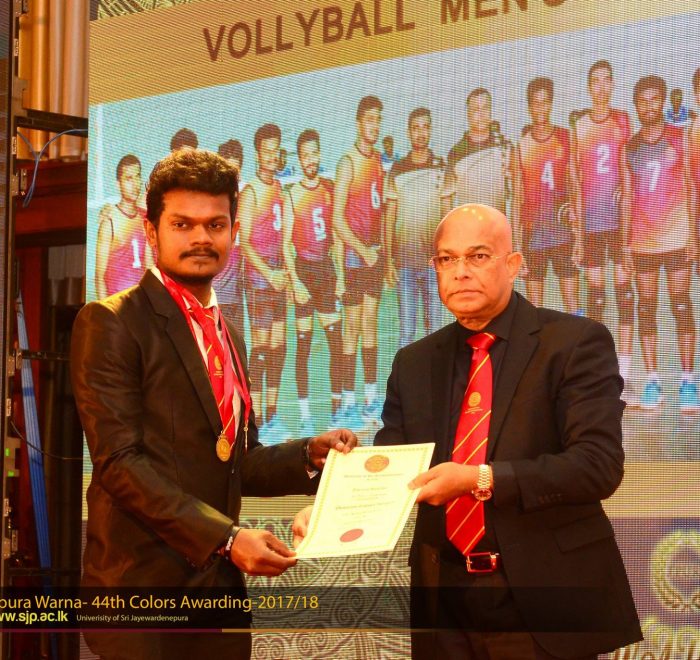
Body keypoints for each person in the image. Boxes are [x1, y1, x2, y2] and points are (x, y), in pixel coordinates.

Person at [72, 149, 357, 660]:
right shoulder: (112, 321)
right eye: (182, 224)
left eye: (215, 225)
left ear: (234, 231)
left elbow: (235, 460)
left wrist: (307, 455)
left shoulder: (227, 334)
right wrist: (226, 538)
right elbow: (119, 464)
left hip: (217, 597)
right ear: (151, 230)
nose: (201, 238)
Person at [373, 203, 642, 658]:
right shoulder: (414, 362)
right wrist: (329, 513)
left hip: (544, 599)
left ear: (513, 265)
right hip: (446, 603)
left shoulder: (573, 343)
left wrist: (480, 478)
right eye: (447, 259)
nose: (460, 272)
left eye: (477, 256)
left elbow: (596, 466)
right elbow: (392, 467)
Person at [620, 75, 698, 412]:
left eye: (655, 99)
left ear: (663, 101)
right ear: (636, 105)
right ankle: (652, 381)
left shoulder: (681, 138)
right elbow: (626, 197)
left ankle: (688, 382)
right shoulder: (629, 147)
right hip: (643, 242)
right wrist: (625, 244)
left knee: (681, 306)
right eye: (643, 100)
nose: (649, 106)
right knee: (646, 309)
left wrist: (694, 235)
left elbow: (692, 188)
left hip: (677, 237)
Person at [570, 60, 636, 404]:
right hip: (593, 224)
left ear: (612, 84)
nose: (600, 87)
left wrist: (629, 191)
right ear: (588, 87)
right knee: (596, 296)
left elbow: (631, 167)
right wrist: (579, 235)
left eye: (606, 80)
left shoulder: (623, 120)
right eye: (594, 81)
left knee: (624, 293)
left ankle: (626, 372)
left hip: (619, 222)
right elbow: (576, 181)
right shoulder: (579, 126)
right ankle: (600, 370)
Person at [282, 129, 344, 433]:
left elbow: (337, 237)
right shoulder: (292, 194)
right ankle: (306, 416)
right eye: (305, 155)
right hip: (304, 272)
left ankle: (337, 410)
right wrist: (295, 282)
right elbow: (285, 245)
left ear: (320, 154)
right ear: (299, 159)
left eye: (314, 153)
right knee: (304, 346)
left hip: (326, 271)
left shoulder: (329, 190)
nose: (310, 160)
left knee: (336, 343)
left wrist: (341, 276)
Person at [332, 95, 386, 430]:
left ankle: (370, 398)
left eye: (378, 119)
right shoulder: (347, 163)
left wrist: (379, 253)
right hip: (355, 258)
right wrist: (361, 250)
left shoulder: (378, 159)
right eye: (369, 119)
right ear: (358, 123)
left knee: (371, 324)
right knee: (351, 328)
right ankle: (348, 402)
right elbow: (337, 219)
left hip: (374, 256)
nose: (374, 126)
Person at [238, 123, 289, 442]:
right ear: (257, 154)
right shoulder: (251, 192)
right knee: (261, 347)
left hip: (279, 278)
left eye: (275, 150)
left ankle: (273, 415)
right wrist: (269, 274)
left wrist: (285, 274)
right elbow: (244, 243)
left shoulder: (279, 188)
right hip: (259, 280)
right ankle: (254, 423)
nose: (272, 156)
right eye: (266, 150)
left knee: (279, 346)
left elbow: (282, 237)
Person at [513, 77, 580, 314]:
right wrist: (517, 245)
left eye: (544, 102)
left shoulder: (565, 137)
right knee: (534, 308)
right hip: (534, 235)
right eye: (535, 103)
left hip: (562, 233)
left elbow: (575, 186)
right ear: (529, 106)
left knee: (572, 303)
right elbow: (517, 199)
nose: (540, 108)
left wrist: (579, 237)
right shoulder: (521, 145)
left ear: (551, 104)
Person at [385, 107, 446, 347]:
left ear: (430, 130)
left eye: (425, 127)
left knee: (436, 332)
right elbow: (389, 218)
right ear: (408, 132)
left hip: (434, 265)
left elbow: (448, 218)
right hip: (405, 265)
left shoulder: (442, 167)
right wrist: (389, 261)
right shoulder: (397, 170)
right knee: (407, 333)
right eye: (415, 128)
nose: (421, 133)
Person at [441, 88, 510, 216]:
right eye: (476, 110)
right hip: (467, 226)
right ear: (468, 114)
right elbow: (446, 198)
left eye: (485, 108)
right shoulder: (456, 153)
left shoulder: (505, 147)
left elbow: (517, 191)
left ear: (491, 111)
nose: (481, 114)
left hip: (497, 226)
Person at [94, 154, 151, 298]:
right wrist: (106, 310)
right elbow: (99, 277)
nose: (135, 184)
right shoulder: (109, 221)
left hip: (141, 303)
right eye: (129, 178)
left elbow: (149, 267)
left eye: (137, 176)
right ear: (118, 184)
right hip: (117, 304)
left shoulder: (145, 219)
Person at [213, 138, 246, 335]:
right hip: (216, 290)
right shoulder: (210, 200)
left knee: (237, 341)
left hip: (237, 291)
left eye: (236, 171)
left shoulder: (246, 197)